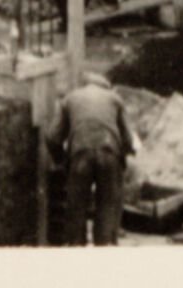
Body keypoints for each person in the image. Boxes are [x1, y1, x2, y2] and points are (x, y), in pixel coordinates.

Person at [48, 70, 139, 245]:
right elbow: (128, 138)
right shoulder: (114, 99)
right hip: (109, 153)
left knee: (76, 208)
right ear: (105, 84)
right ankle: (103, 252)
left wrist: (60, 161)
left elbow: (52, 137)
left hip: (80, 154)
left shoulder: (70, 99)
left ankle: (77, 252)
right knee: (107, 207)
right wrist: (124, 157)